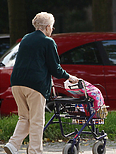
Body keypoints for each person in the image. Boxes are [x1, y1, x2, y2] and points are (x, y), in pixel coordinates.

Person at [4, 12, 79, 154]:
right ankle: (35, 151)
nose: (52, 30)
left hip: (17, 83)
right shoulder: (48, 42)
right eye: (52, 27)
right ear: (48, 27)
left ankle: (13, 145)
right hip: (35, 85)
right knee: (37, 120)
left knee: (24, 117)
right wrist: (69, 77)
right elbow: (55, 68)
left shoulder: (26, 38)